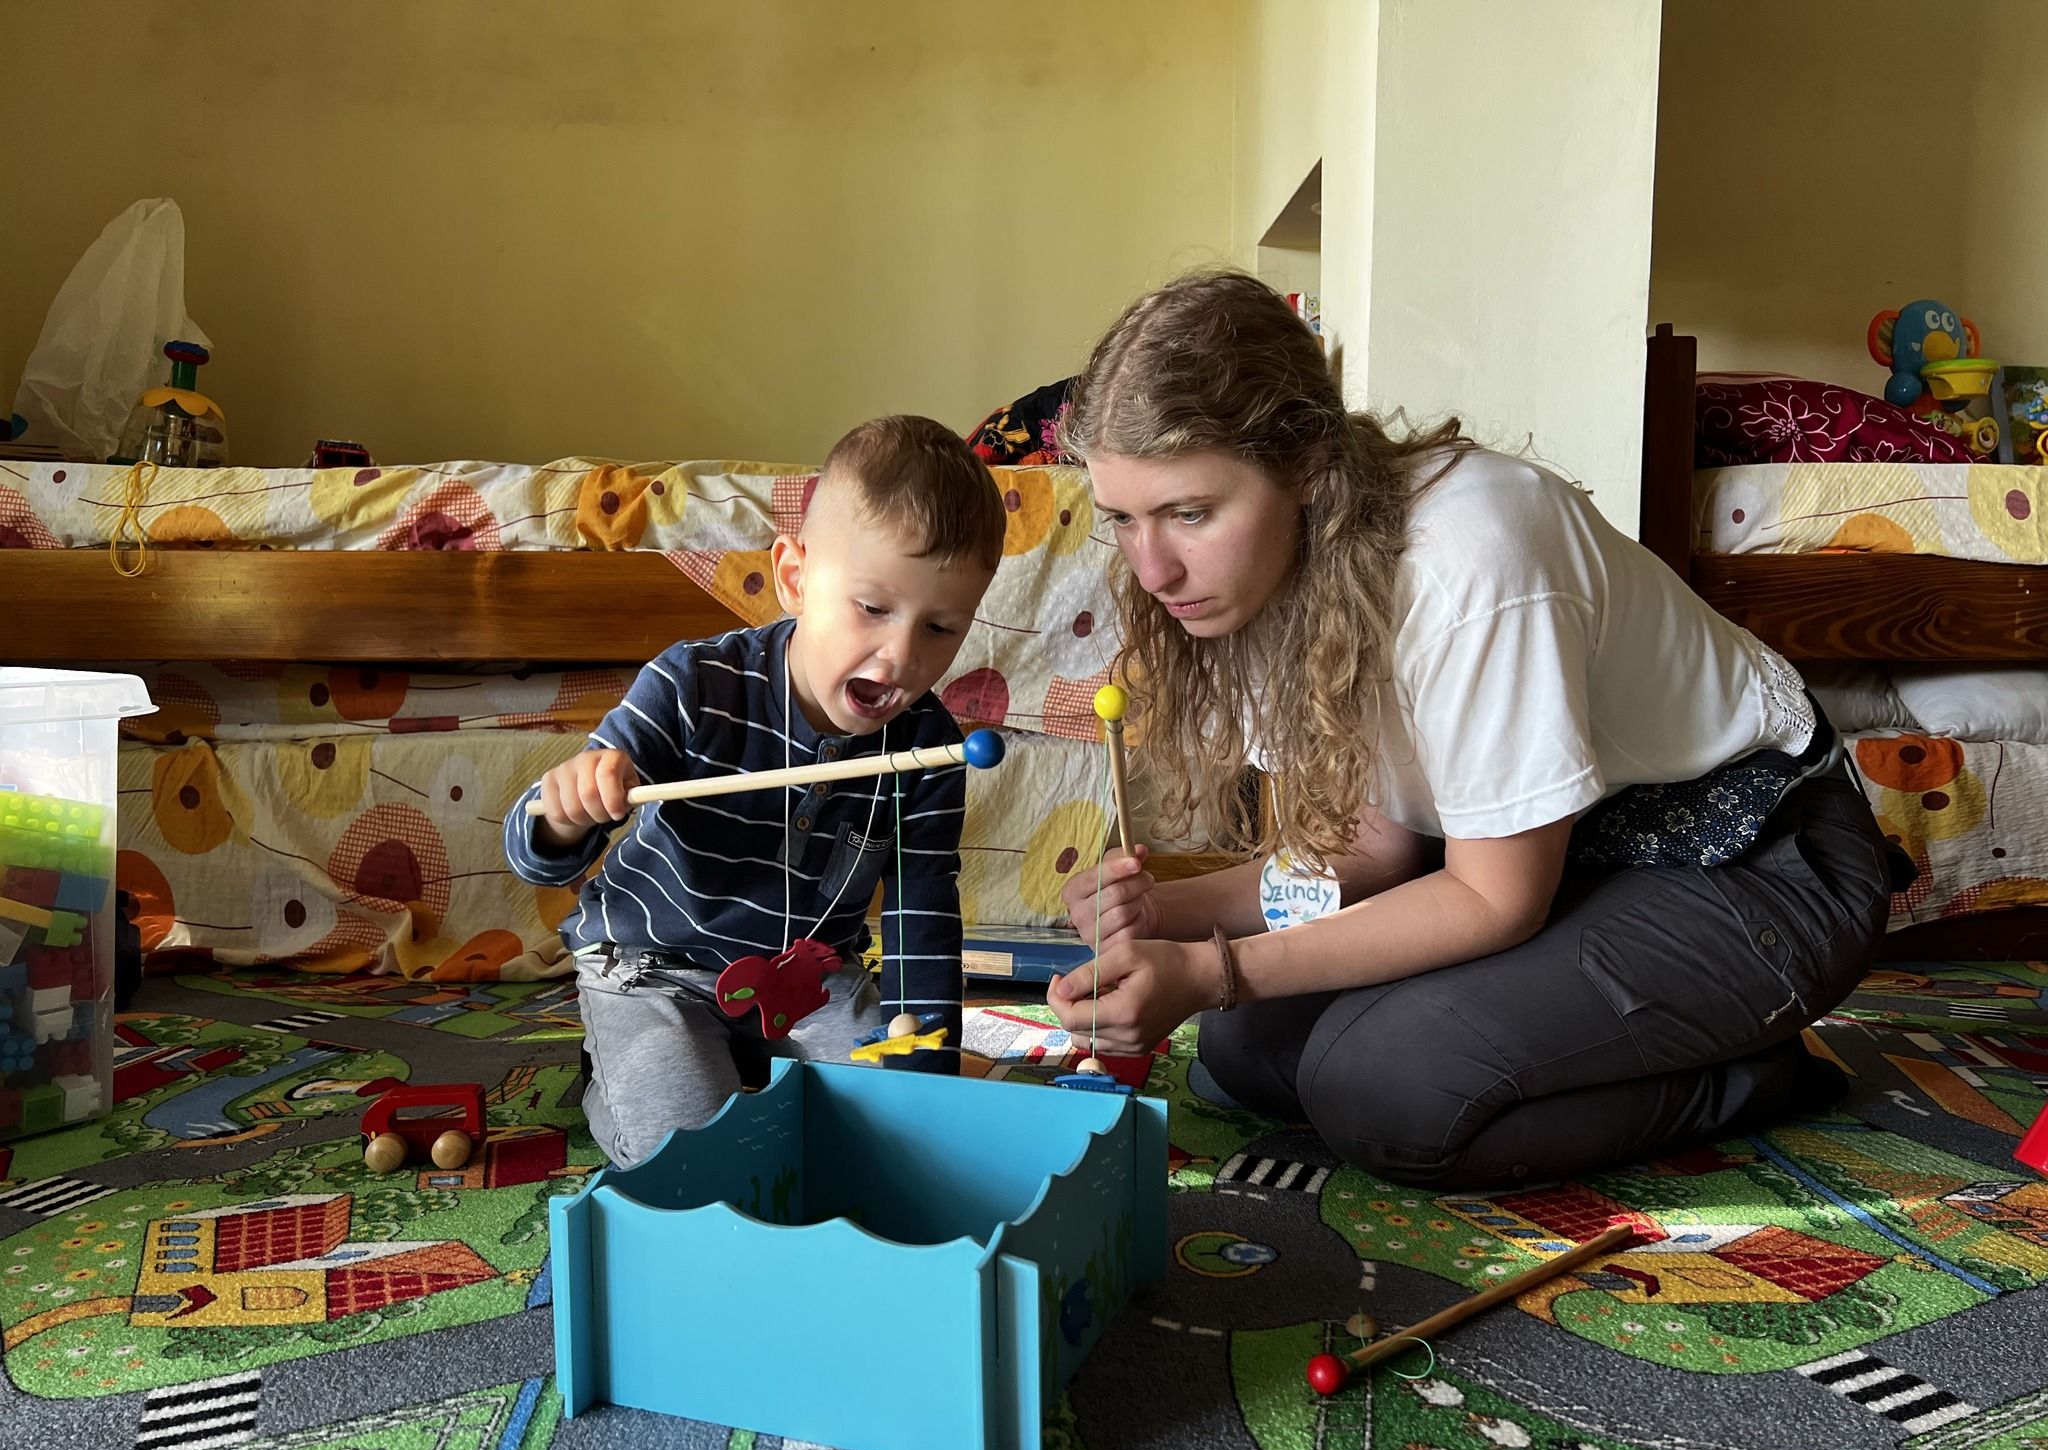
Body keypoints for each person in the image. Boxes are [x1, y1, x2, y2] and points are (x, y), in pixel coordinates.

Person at [1045, 271, 1892, 1190]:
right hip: (1566, 866)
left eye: (1191, 514)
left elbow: (1495, 900)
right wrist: (1172, 916)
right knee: (1251, 1050)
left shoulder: (1474, 555)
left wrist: (1213, 969)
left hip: (1758, 867)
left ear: (1309, 471)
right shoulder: (1251, 581)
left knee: (1382, 1089)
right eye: (1123, 521)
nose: (1156, 569)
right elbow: (1379, 845)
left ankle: (1750, 1072)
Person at [505, 416, 1004, 1167]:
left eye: (940, 627)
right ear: (795, 578)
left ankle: (757, 1066)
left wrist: (922, 1059)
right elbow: (533, 854)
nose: (901, 655)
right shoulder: (690, 684)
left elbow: (920, 909)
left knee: (898, 1129)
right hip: (654, 971)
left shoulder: (930, 748)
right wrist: (563, 815)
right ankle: (617, 1074)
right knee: (692, 1156)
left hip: (810, 978)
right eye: (872, 608)